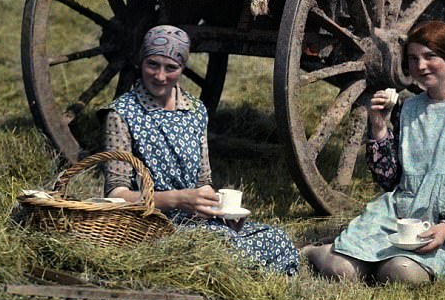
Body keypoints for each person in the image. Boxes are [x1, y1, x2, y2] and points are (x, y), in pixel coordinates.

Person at [302, 20, 445, 285]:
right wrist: (378, 128)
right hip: (397, 219)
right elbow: (390, 180)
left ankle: (382, 266)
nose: (420, 66)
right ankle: (312, 251)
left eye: (430, 56)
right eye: (413, 58)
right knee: (341, 269)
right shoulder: (409, 107)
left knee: (400, 272)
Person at [102, 25, 299, 275]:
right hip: (149, 225)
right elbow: (116, 195)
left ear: (182, 68)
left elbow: (203, 182)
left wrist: (218, 208)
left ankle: (249, 272)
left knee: (276, 238)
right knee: (220, 246)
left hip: (194, 222)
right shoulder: (121, 114)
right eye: (152, 64)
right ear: (141, 62)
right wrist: (178, 199)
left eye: (171, 68)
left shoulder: (195, 111)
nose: (160, 76)